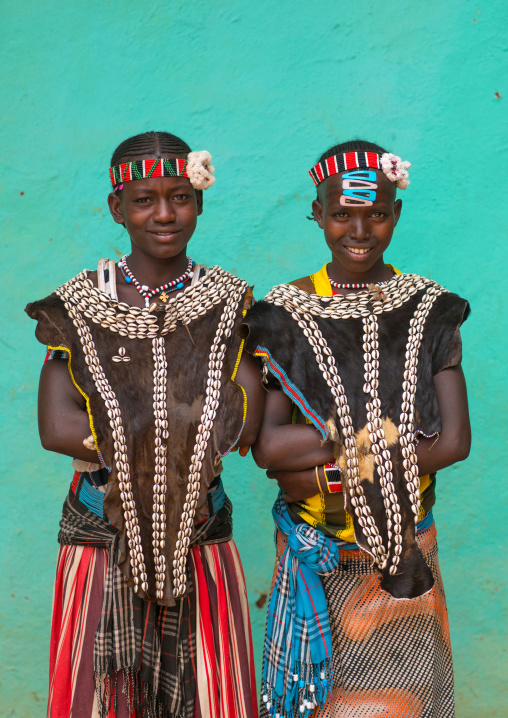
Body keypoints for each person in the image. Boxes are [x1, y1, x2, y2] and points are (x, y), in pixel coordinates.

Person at [26, 131, 263, 718]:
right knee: (104, 697)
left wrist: (134, 429)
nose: (164, 214)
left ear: (200, 201)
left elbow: (245, 423)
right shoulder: (81, 305)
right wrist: (172, 436)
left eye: (180, 196)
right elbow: (56, 425)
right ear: (117, 209)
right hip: (101, 531)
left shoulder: (230, 302)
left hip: (200, 529)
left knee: (210, 695)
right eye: (143, 200)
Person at [241, 140, 471, 718]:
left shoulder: (429, 309)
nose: (360, 229)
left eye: (376, 213)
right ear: (317, 212)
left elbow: (453, 443)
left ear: (396, 213)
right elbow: (267, 446)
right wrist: (377, 434)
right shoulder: (284, 312)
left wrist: (325, 467)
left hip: (408, 548)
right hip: (319, 554)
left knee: (408, 700)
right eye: (342, 213)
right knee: (320, 702)